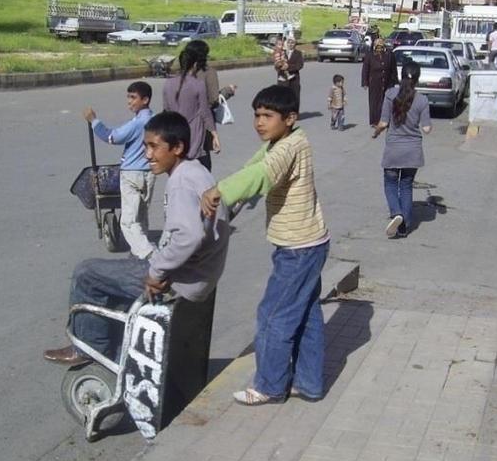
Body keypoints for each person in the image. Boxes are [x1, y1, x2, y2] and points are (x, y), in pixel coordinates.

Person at [43, 112, 230, 367]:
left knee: (86, 273)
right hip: (196, 276)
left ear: (177, 148)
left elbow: (189, 236)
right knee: (128, 262)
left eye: (154, 147)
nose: (148, 155)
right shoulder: (196, 171)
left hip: (181, 282)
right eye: (145, 146)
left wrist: (157, 273)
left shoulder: (181, 182)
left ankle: (88, 347)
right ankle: (118, 347)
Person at [201, 85, 330, 405]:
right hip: (310, 244)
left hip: (298, 249)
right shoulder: (286, 140)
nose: (259, 122)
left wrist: (219, 190)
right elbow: (254, 167)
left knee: (273, 316)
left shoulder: (288, 148)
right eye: (257, 115)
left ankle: (270, 386)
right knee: (307, 315)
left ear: (290, 118)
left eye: (267, 116)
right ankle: (309, 384)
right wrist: (233, 197)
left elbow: (264, 173)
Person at [84, 81, 155, 259]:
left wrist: (94, 121)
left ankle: (149, 254)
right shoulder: (153, 119)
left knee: (128, 222)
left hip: (132, 174)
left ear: (145, 100)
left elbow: (111, 137)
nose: (129, 102)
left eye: (133, 98)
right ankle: (137, 252)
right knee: (141, 216)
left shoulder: (138, 123)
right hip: (149, 173)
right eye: (128, 97)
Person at [371, 60, 432, 240]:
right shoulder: (422, 99)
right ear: (418, 78)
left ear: (401, 75)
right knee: (406, 186)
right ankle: (404, 227)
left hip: (393, 151)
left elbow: (383, 123)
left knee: (390, 184)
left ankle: (396, 212)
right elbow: (427, 129)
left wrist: (376, 133)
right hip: (413, 153)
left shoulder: (390, 95)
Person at [163, 44, 217, 170]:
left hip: (175, 133)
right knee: (201, 173)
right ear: (194, 65)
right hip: (195, 137)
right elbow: (205, 112)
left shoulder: (168, 84)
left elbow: (166, 109)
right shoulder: (198, 84)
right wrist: (214, 134)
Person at [361, 36, 398, 128]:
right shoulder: (370, 55)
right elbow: (365, 69)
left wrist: (394, 81)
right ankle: (375, 121)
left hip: (387, 82)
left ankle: (385, 121)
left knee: (386, 102)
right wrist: (365, 82)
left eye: (381, 45)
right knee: (374, 102)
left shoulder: (390, 54)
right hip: (374, 82)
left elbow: (394, 69)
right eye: (377, 45)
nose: (379, 47)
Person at [275, 36, 304, 105]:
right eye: (289, 42)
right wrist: (279, 67)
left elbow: (300, 65)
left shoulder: (298, 53)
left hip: (294, 80)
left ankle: (294, 114)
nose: (290, 44)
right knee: (282, 99)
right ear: (286, 43)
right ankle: (283, 114)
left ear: (295, 44)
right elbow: (276, 64)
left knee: (294, 98)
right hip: (282, 79)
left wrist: (288, 67)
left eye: (292, 43)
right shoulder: (282, 52)